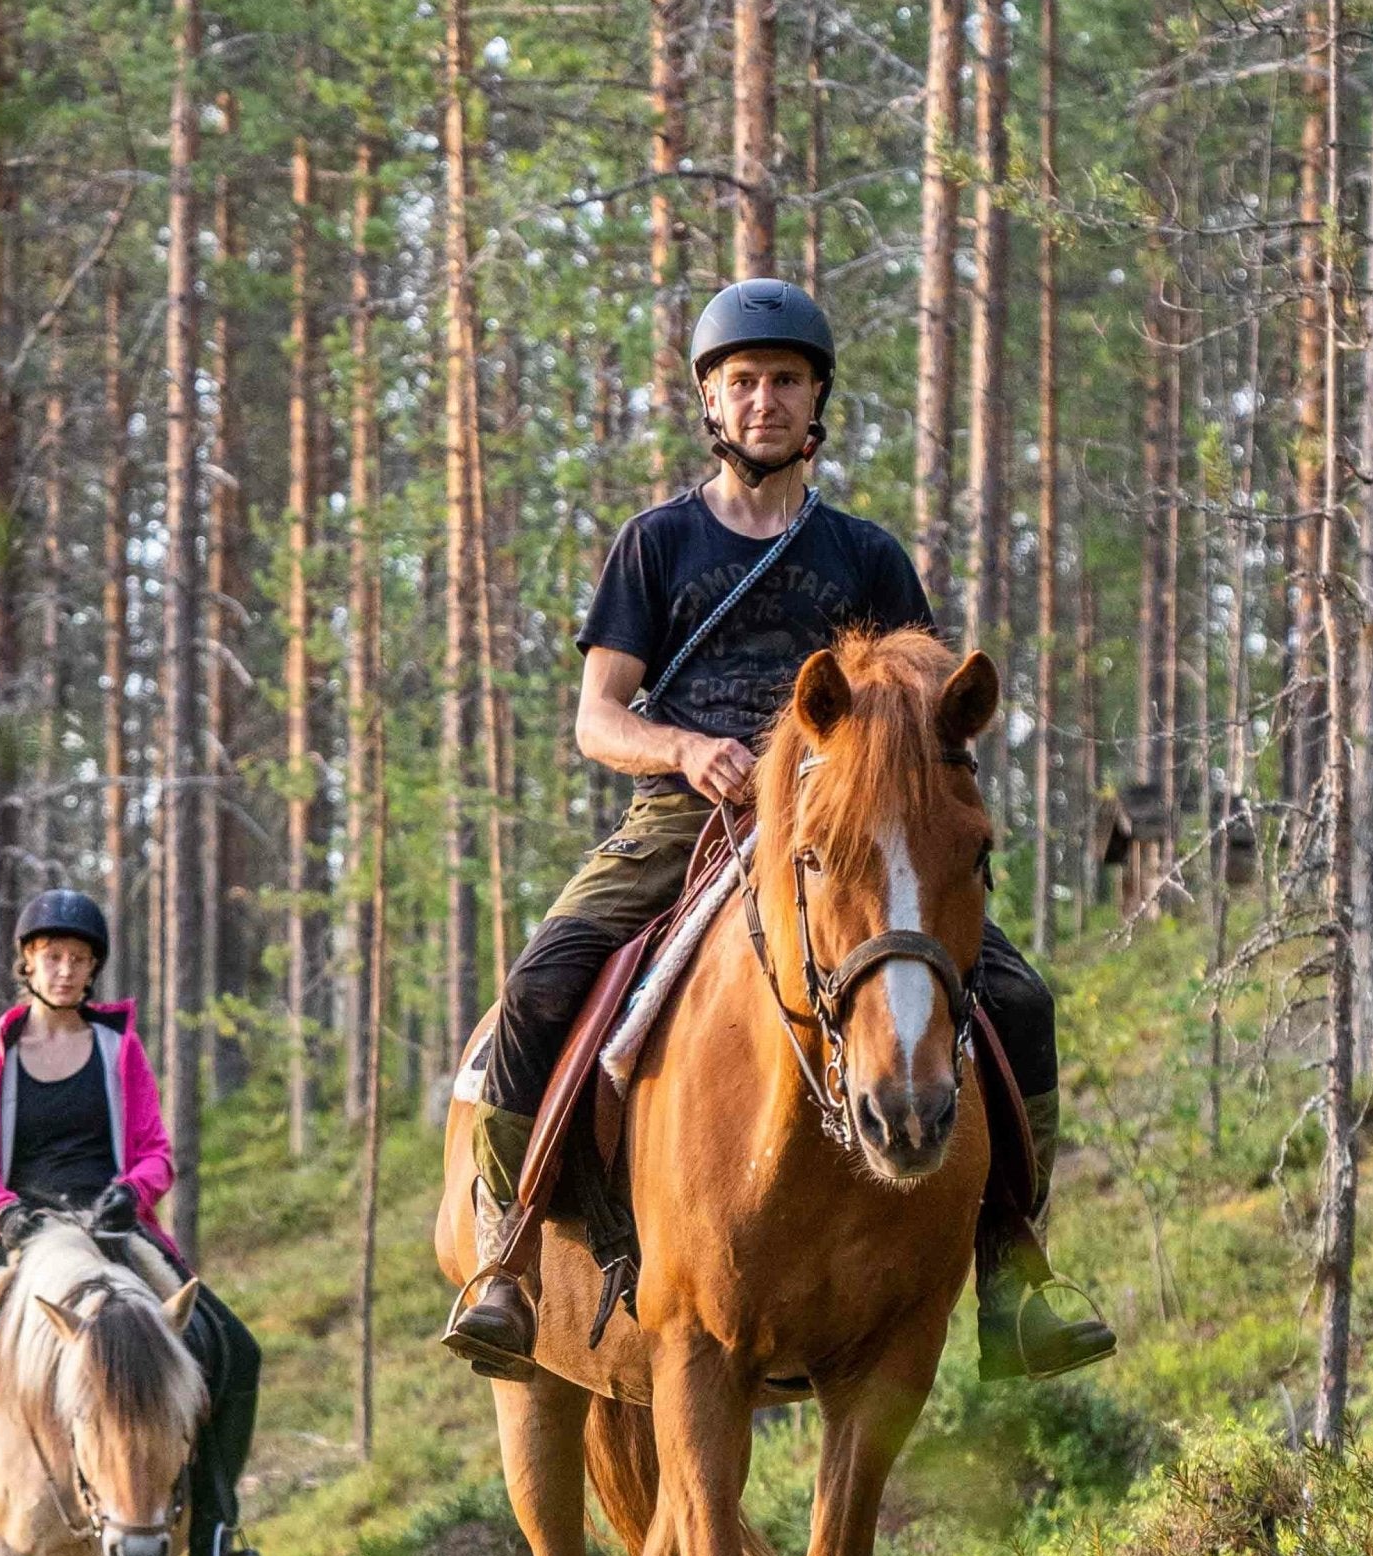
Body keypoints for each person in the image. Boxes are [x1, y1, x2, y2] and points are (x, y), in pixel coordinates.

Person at [443, 278, 1116, 1388]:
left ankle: (1010, 1264)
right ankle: (511, 1256)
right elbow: (597, 715)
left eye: (783, 381)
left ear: (816, 404)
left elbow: (922, 710)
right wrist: (683, 751)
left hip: (840, 829)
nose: (762, 400)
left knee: (1020, 1002)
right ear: (711, 402)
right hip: (688, 812)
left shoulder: (867, 557)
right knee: (542, 981)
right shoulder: (654, 544)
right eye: (741, 381)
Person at [0, 890, 263, 1556]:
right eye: (53, 957)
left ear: (92, 970)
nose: (66, 970)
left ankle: (215, 1527)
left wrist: (130, 1194)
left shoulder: (119, 1050)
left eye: (79, 960)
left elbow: (155, 1152)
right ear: (28, 963)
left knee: (235, 1348)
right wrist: (5, 1212)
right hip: (20, 1233)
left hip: (112, 1229)